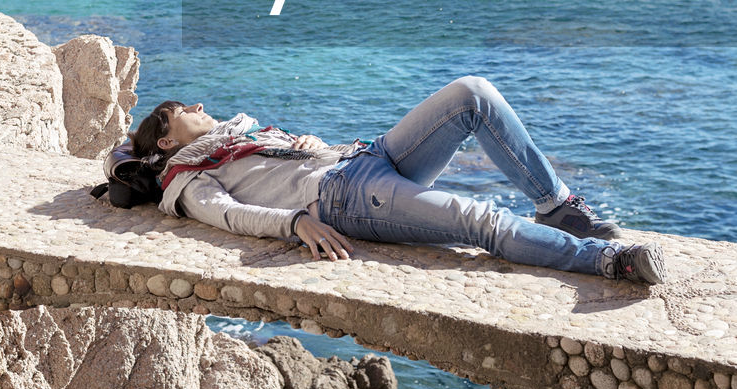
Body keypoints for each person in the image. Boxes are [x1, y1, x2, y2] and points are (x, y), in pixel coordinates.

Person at [129, 75, 666, 285]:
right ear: (167, 142)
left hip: (364, 159)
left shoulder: (239, 134)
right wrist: (294, 222)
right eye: (180, 110)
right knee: (477, 220)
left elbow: (291, 160)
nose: (197, 105)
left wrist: (317, 146)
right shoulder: (187, 177)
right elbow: (228, 215)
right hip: (348, 199)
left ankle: (556, 204)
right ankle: (606, 261)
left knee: (471, 94)